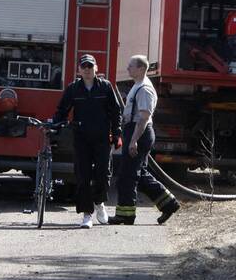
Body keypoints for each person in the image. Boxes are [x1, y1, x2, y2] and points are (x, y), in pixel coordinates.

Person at [108, 55, 181, 225]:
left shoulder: (145, 89)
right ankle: (169, 204)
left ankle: (125, 215)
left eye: (131, 66)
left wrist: (133, 141)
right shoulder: (137, 86)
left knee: (127, 176)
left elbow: (143, 118)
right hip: (134, 132)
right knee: (138, 175)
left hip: (138, 133)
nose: (128, 69)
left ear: (141, 68)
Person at [52, 54, 121, 229]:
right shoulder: (73, 89)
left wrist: (117, 134)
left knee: (103, 174)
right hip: (81, 138)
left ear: (96, 68)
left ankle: (99, 203)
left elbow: (115, 112)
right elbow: (62, 110)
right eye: (84, 67)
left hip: (102, 139)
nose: (88, 70)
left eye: (90, 66)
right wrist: (53, 127)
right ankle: (86, 214)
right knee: (82, 176)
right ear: (79, 70)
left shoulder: (105, 87)